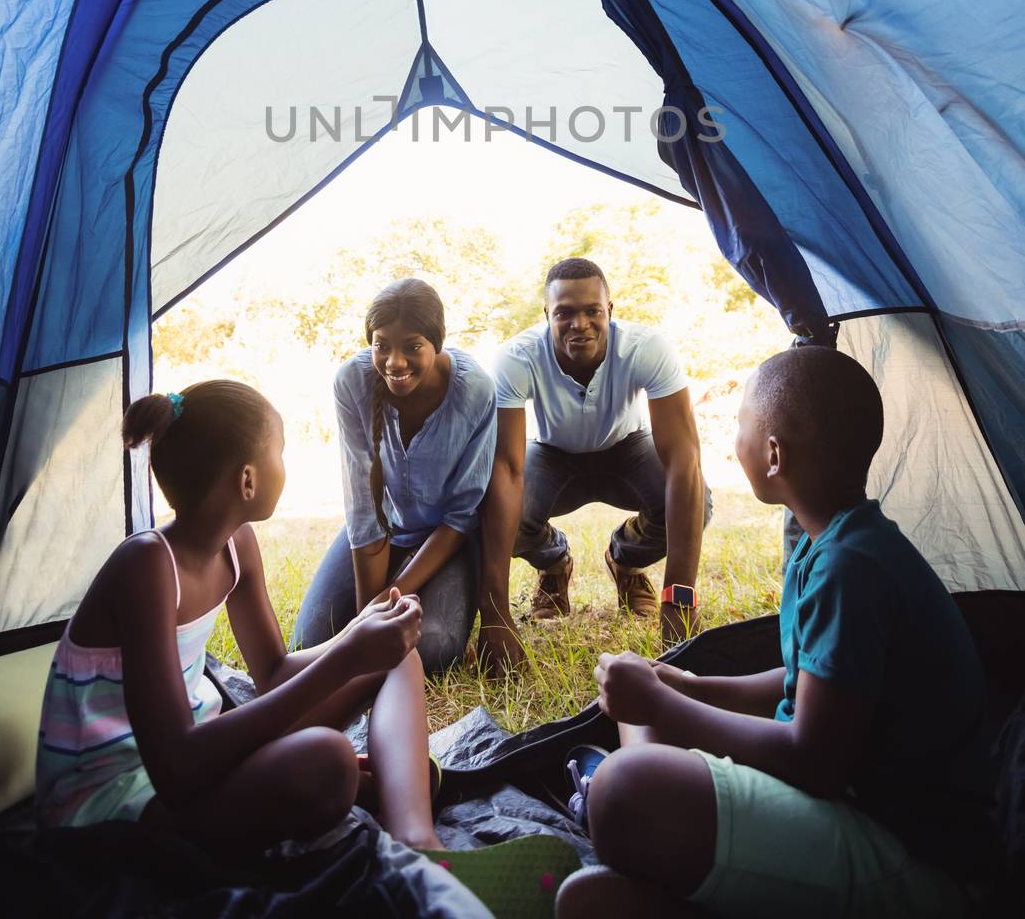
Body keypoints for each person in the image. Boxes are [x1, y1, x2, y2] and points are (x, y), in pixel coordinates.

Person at [555, 347, 997, 918]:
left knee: (624, 787)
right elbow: (801, 680)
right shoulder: (835, 543)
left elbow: (813, 759)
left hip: (914, 857)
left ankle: (615, 810)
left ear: (772, 455)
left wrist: (661, 703)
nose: (733, 436)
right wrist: (683, 687)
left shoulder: (852, 568)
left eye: (740, 423)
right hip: (854, 806)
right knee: (636, 728)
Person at [36, 378, 441, 853]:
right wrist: (346, 656)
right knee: (328, 761)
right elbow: (176, 769)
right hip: (110, 800)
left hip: (194, 761)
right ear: (247, 480)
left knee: (396, 657)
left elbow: (272, 673)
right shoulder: (145, 565)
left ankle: (418, 839)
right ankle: (375, 787)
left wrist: (360, 633)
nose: (287, 466)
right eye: (281, 451)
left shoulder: (237, 545)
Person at [478, 258, 709, 671]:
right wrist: (496, 617)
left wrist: (680, 597)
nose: (579, 324)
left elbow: (684, 463)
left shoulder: (646, 347)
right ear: (547, 315)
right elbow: (506, 471)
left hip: (628, 449)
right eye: (564, 313)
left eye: (592, 311)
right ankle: (553, 562)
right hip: (553, 455)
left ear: (610, 311)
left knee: (697, 503)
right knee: (497, 509)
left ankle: (627, 560)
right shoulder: (516, 358)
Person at [292, 278, 496, 673]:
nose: (394, 362)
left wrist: (393, 593)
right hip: (382, 533)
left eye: (412, 347)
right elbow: (365, 511)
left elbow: (460, 517)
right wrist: (370, 618)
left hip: (444, 542)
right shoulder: (352, 382)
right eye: (381, 345)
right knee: (310, 643)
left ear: (437, 343)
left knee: (433, 649)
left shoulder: (474, 390)